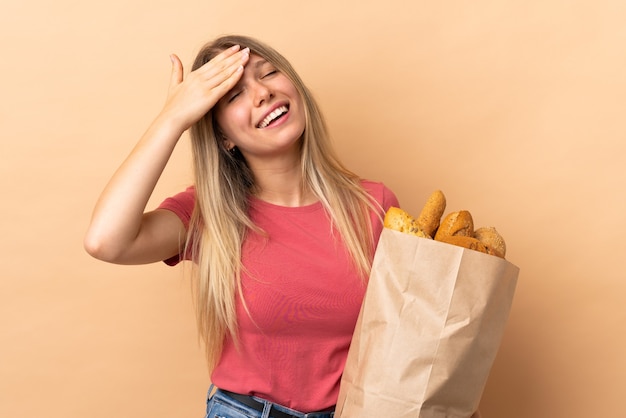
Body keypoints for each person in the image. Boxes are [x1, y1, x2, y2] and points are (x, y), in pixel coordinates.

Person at [84, 34, 399, 418]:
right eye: (233, 95)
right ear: (224, 139)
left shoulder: (374, 205)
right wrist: (172, 118)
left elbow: (406, 333)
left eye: (269, 73)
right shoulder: (209, 214)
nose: (263, 93)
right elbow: (105, 241)